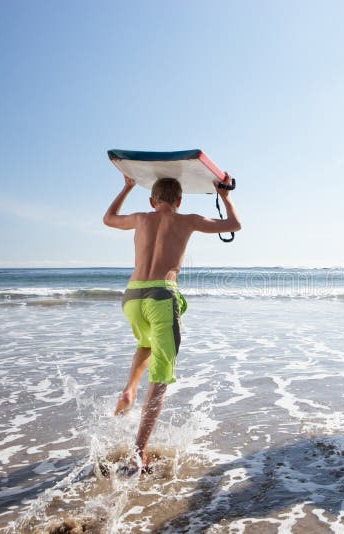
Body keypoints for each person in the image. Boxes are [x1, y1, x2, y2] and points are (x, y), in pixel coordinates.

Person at [104, 173, 241, 472]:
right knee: (161, 378)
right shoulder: (187, 219)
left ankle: (129, 389)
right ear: (179, 201)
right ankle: (138, 452)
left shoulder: (141, 217)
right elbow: (234, 225)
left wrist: (127, 186)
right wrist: (226, 197)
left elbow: (109, 218)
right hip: (161, 297)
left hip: (132, 297)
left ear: (153, 201)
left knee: (145, 343)